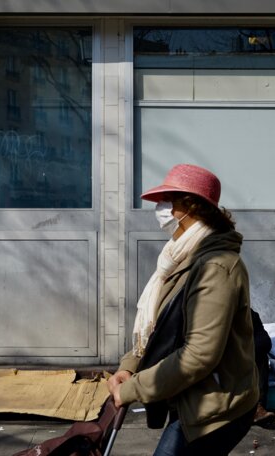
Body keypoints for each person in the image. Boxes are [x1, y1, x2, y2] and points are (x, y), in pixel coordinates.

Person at [107, 164, 259, 455]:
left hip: (217, 407)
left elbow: (199, 355)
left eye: (170, 200)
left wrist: (132, 389)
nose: (163, 209)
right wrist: (130, 365)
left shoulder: (215, 267)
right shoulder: (181, 256)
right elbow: (164, 329)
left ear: (192, 206)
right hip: (191, 397)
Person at [250, 309, 275, 425]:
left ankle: (257, 408)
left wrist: (242, 352)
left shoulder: (250, 315)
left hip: (242, 359)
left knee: (261, 357)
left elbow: (265, 342)